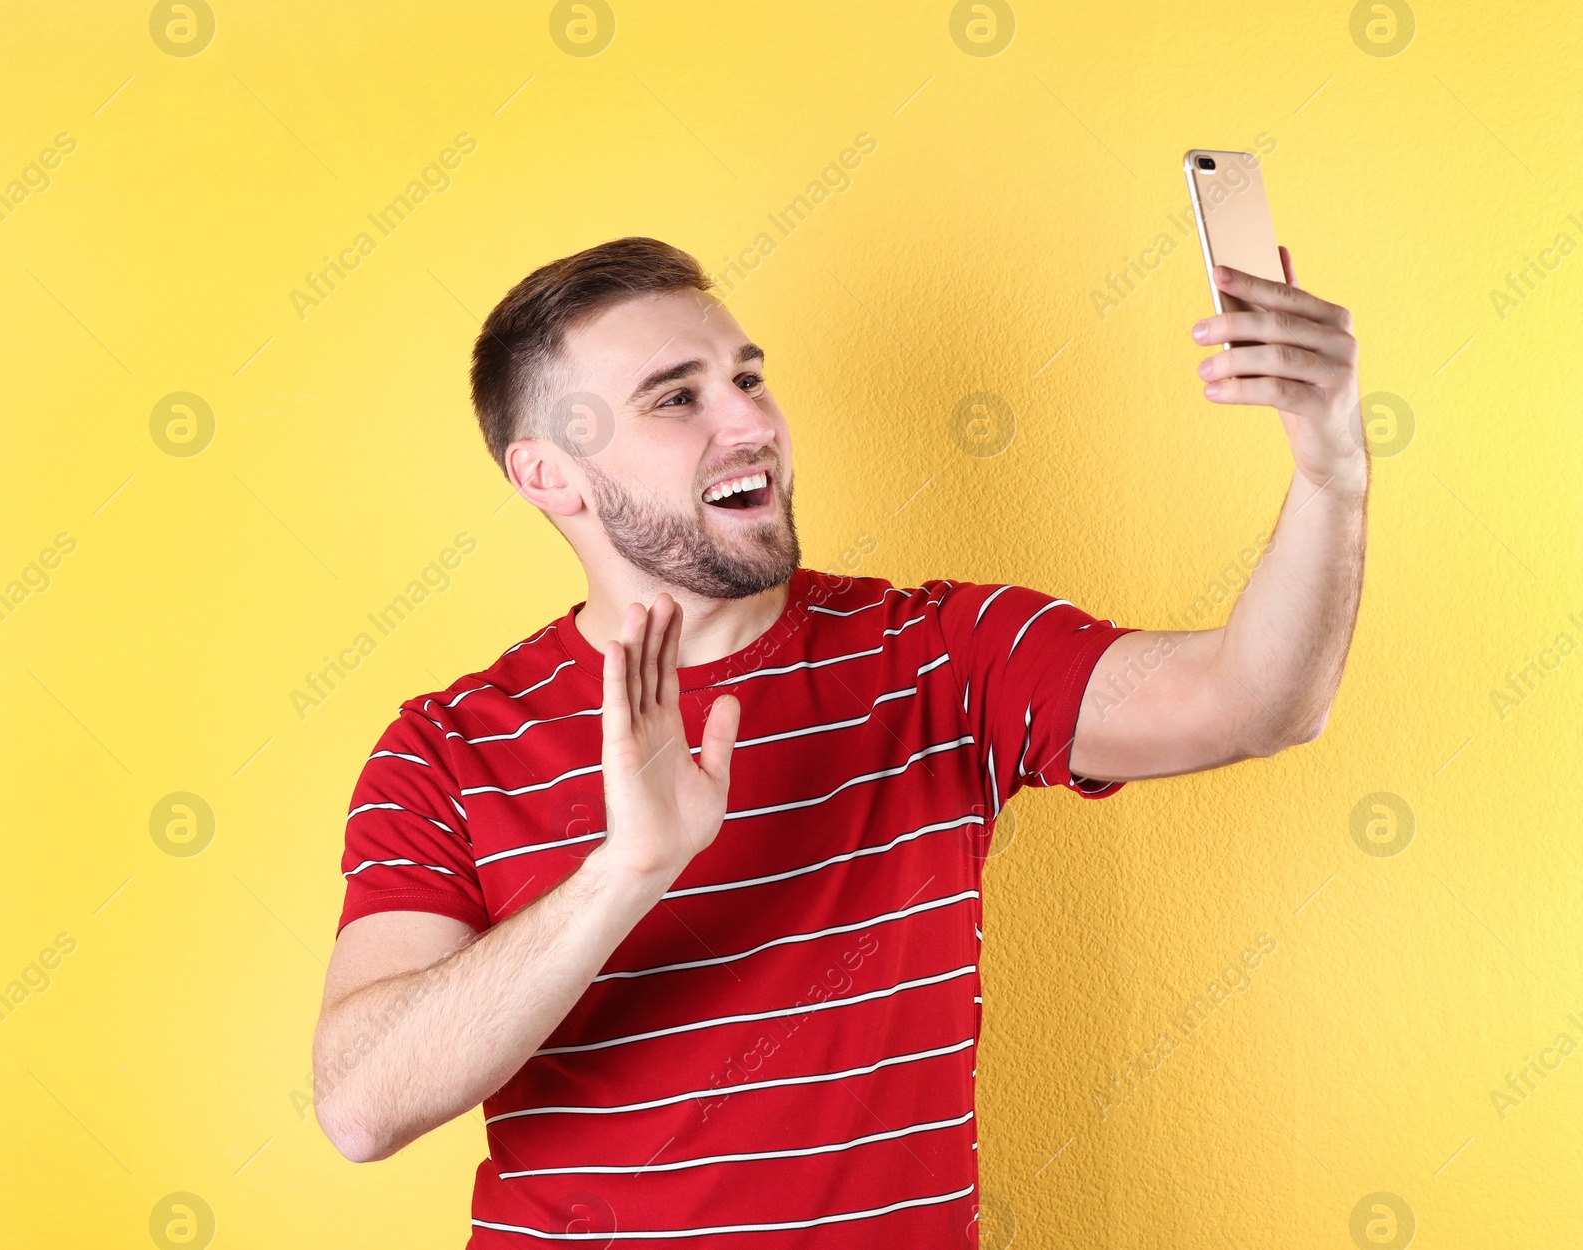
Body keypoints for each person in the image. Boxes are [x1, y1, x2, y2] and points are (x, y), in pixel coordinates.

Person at [311, 236, 1366, 1246]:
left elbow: (1255, 700)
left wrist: (1331, 474)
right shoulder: (449, 745)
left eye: (749, 378)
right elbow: (362, 1104)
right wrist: (626, 870)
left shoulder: (938, 656)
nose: (751, 422)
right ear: (550, 474)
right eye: (677, 397)